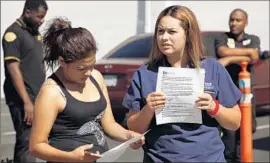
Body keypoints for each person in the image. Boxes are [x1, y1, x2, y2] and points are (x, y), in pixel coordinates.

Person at [122, 5, 242, 162]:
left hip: (209, 158)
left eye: (171, 32)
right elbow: (134, 128)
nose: (164, 37)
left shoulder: (212, 68)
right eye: (160, 31)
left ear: (188, 35)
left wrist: (214, 107)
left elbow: (235, 122)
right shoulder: (145, 73)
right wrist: (148, 109)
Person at [29, 17, 144, 163]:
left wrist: (129, 136)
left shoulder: (96, 77)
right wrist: (71, 157)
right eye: (81, 68)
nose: (88, 72)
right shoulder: (51, 92)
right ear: (62, 62)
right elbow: (36, 146)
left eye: (92, 65)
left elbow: (109, 125)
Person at [2, 0, 48, 162]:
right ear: (27, 12)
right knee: (26, 139)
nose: (41, 21)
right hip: (22, 98)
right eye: (39, 17)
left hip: (36, 95)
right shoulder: (12, 34)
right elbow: (13, 70)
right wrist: (27, 102)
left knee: (33, 139)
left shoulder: (34, 33)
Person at [215, 8, 260, 163]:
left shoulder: (253, 39)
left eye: (238, 20)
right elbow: (222, 51)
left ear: (245, 22)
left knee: (247, 130)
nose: (233, 23)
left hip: (246, 94)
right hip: (227, 94)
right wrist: (245, 54)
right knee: (229, 136)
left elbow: (254, 57)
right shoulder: (221, 37)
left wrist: (229, 59)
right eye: (231, 19)